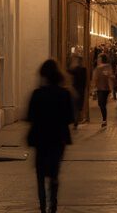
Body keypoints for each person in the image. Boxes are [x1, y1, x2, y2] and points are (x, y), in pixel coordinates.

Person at [26, 60, 75, 213]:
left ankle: (42, 207)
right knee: (54, 171)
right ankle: (53, 203)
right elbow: (70, 118)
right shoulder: (65, 94)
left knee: (40, 174)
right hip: (58, 138)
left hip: (40, 138)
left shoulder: (37, 94)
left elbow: (30, 116)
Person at [93, 53, 114, 127]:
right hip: (100, 88)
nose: (98, 59)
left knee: (102, 104)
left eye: (99, 58)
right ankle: (104, 119)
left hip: (105, 88)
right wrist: (94, 88)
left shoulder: (107, 67)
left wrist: (109, 75)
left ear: (102, 59)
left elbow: (111, 76)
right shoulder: (98, 68)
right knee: (101, 104)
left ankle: (104, 120)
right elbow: (95, 78)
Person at [67, 56, 87, 128]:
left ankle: (76, 120)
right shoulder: (83, 70)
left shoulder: (73, 70)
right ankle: (77, 120)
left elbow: (68, 76)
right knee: (78, 107)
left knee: (75, 106)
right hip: (80, 89)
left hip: (75, 89)